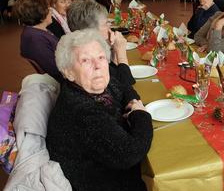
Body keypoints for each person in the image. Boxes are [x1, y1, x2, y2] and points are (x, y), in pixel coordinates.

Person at [46, 29, 153, 191]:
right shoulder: (82, 112)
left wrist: (132, 102)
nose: (98, 66)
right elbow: (130, 153)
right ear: (68, 72)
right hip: (108, 183)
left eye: (101, 57)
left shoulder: (92, 84)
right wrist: (141, 114)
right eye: (85, 61)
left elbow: (124, 88)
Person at [67, 0, 136, 87]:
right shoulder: (85, 59)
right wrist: (121, 53)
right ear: (91, 31)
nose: (109, 27)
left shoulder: (83, 46)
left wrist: (113, 52)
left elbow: (115, 76)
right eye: (105, 24)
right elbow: (125, 85)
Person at [12, 0, 62, 81]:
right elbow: (56, 70)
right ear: (40, 13)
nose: (51, 10)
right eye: (47, 8)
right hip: (63, 80)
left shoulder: (36, 31)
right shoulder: (36, 39)